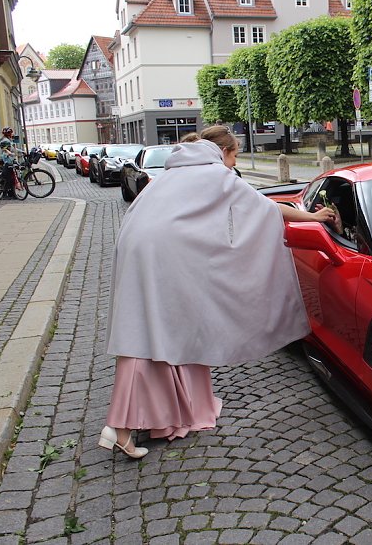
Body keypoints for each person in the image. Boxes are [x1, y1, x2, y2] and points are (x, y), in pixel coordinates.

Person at [99, 125, 335, 459]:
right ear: (223, 151)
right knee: (146, 337)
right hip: (162, 256)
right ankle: (118, 426)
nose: (234, 163)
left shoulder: (176, 168)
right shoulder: (214, 173)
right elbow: (266, 207)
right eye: (235, 155)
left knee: (162, 330)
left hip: (138, 246)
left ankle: (170, 413)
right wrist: (311, 216)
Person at [0, 127, 17, 198]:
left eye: (11, 132)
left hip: (10, 160)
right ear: (6, 134)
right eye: (9, 133)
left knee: (12, 177)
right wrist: (9, 153)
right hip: (7, 161)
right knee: (8, 178)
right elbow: (4, 149)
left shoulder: (9, 140)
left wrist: (21, 152)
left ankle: (12, 193)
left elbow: (12, 149)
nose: (11, 134)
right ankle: (5, 193)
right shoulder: (5, 141)